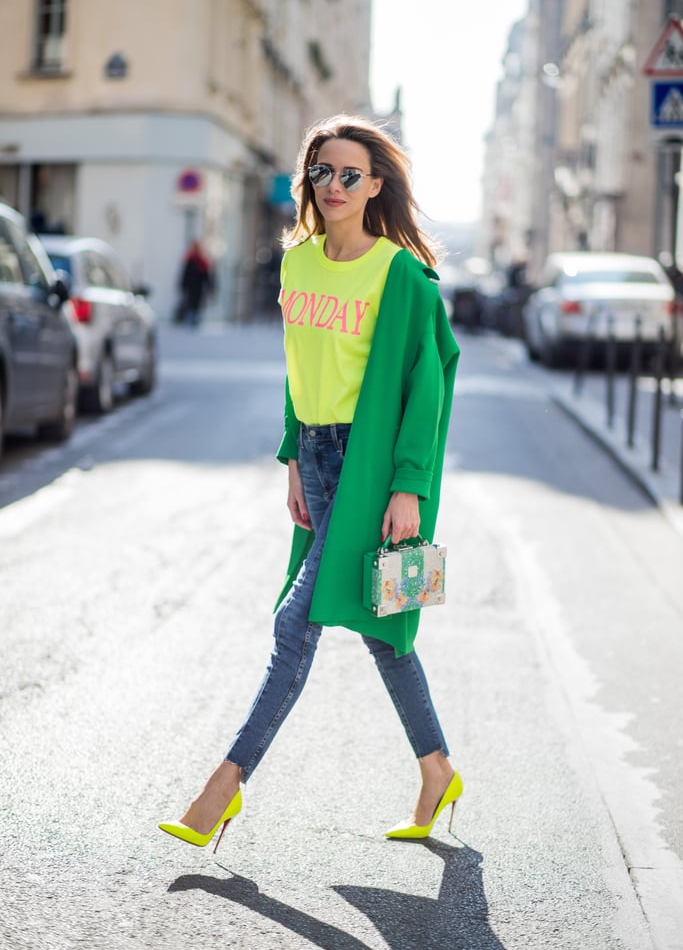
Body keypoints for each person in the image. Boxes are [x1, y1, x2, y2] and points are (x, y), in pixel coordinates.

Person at [158, 114, 462, 851]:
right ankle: (437, 771)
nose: (333, 186)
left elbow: (429, 382)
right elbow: (299, 369)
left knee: (296, 622)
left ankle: (220, 790)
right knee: (381, 631)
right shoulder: (298, 263)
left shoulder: (400, 274)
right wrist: (293, 454)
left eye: (349, 174)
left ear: (376, 184)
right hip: (320, 459)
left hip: (372, 462)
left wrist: (407, 487)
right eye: (321, 172)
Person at [175, 239, 214, 326]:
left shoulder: (203, 261)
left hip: (199, 288)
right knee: (190, 303)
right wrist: (183, 285)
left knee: (197, 304)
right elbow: (185, 274)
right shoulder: (190, 259)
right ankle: (190, 319)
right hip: (190, 287)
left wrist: (209, 287)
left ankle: (195, 320)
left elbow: (206, 276)